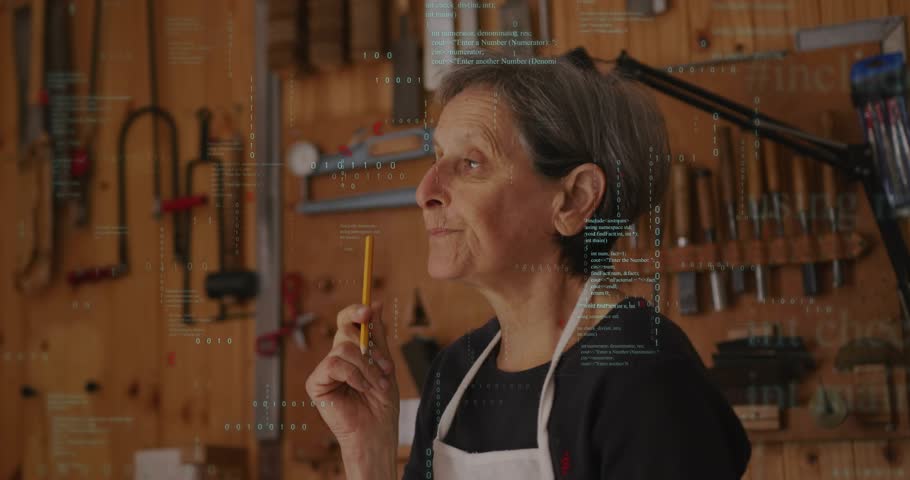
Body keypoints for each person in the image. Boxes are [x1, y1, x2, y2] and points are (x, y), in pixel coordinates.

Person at [305, 47, 752, 479]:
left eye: (472, 162)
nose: (425, 191)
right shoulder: (455, 373)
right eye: (437, 157)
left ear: (575, 200)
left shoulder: (644, 376)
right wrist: (368, 454)